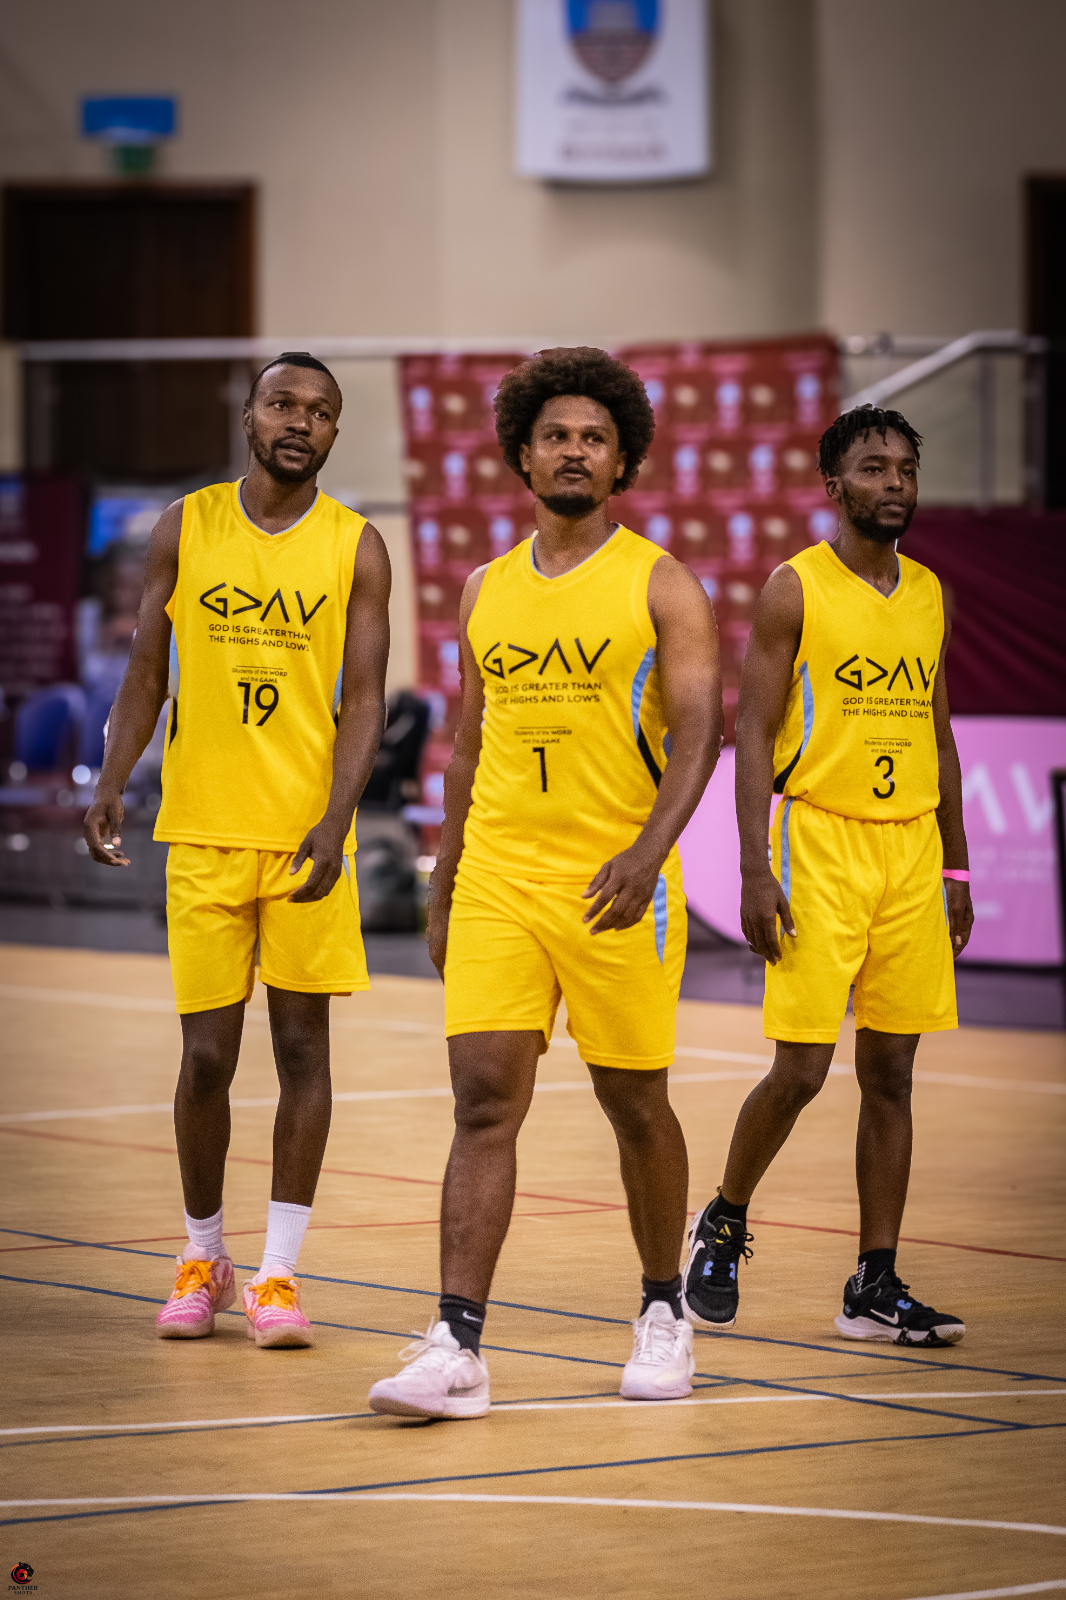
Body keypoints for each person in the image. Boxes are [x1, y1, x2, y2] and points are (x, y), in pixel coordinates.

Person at [369, 346, 722, 1420]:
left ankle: (663, 1310)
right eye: (555, 435)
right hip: (498, 879)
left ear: (622, 461)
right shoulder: (486, 586)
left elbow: (703, 730)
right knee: (483, 1102)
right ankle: (456, 1344)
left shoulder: (662, 582)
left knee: (634, 1102)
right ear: (522, 454)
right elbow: (468, 746)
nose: (574, 451)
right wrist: (444, 885)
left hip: (616, 882)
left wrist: (648, 852)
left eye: (594, 438)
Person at [84, 354, 391, 1349]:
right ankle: (202, 1254)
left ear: (334, 433)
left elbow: (366, 701)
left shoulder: (357, 545)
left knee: (303, 1051)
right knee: (207, 1057)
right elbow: (147, 666)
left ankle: (278, 1274)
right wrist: (112, 775)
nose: (300, 422)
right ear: (250, 417)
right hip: (205, 830)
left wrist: (337, 817)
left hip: (304, 836)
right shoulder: (187, 525)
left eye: (321, 412)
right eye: (283, 404)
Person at [682, 405, 972, 1348]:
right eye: (874, 468)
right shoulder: (794, 588)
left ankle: (873, 1283)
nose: (894, 483)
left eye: (906, 469)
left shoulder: (929, 592)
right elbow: (752, 732)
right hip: (820, 842)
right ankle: (723, 1219)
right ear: (835, 485)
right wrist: (753, 866)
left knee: (893, 1073)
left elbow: (938, 732)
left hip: (910, 850)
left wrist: (957, 861)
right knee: (802, 1069)